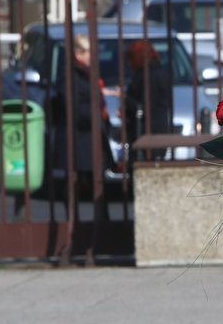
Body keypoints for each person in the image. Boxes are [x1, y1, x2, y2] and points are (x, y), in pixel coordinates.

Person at [54, 32, 115, 204]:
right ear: (78, 54)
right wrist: (94, 116)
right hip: (79, 138)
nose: (93, 56)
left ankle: (100, 222)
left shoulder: (88, 73)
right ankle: (74, 222)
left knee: (97, 183)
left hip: (91, 136)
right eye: (89, 52)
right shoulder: (70, 76)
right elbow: (72, 107)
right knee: (75, 183)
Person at [123, 39, 173, 160]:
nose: (129, 64)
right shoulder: (160, 72)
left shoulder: (146, 76)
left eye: (131, 59)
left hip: (146, 132)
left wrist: (125, 99)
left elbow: (145, 107)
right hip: (158, 130)